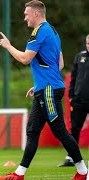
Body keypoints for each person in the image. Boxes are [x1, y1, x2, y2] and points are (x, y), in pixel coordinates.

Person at [0, 1, 88, 180]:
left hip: (48, 89)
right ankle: (19, 174)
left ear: (36, 14)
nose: (25, 18)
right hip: (45, 88)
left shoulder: (38, 32)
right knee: (32, 131)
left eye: (26, 14)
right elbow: (59, 64)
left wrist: (8, 46)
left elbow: (25, 59)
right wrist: (40, 83)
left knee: (60, 130)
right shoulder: (53, 32)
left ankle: (83, 172)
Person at [58, 34, 89, 167]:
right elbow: (74, 78)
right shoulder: (80, 56)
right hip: (79, 100)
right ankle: (71, 157)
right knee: (74, 129)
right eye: (88, 43)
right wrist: (71, 96)